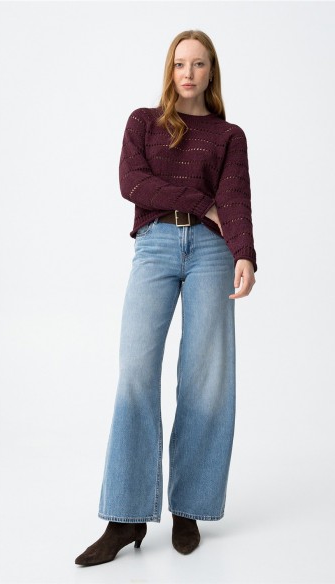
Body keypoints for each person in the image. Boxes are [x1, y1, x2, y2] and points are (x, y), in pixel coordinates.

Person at [75, 29, 257, 567]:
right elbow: (133, 184)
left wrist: (244, 253)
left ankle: (188, 508)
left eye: (198, 64)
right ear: (169, 69)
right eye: (180, 63)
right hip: (155, 246)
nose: (188, 73)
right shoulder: (143, 122)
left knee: (205, 376)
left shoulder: (228, 135)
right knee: (135, 370)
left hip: (212, 251)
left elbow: (235, 198)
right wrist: (203, 203)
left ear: (211, 71)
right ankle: (125, 515)